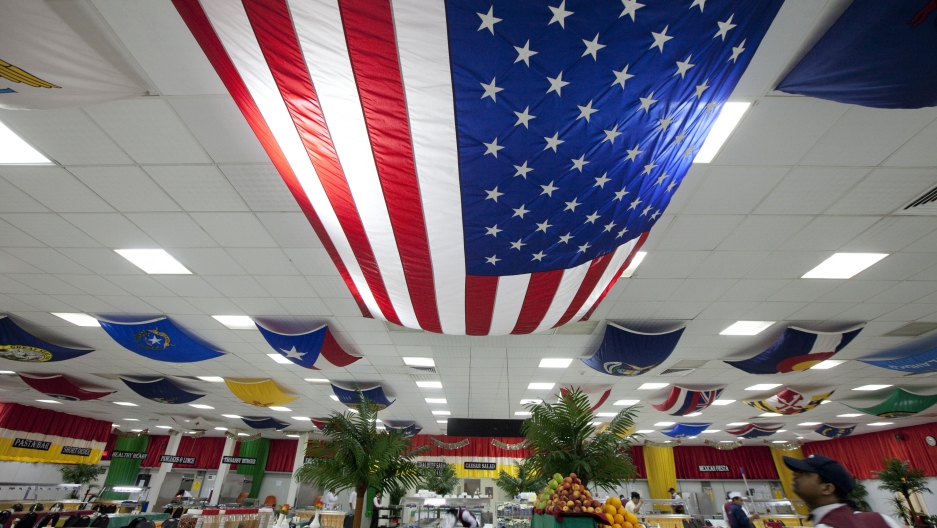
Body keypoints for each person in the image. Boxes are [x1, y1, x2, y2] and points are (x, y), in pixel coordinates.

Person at [783, 454, 902, 528]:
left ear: (827, 488)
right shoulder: (881, 519)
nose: (795, 474)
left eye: (805, 473)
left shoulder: (827, 526)